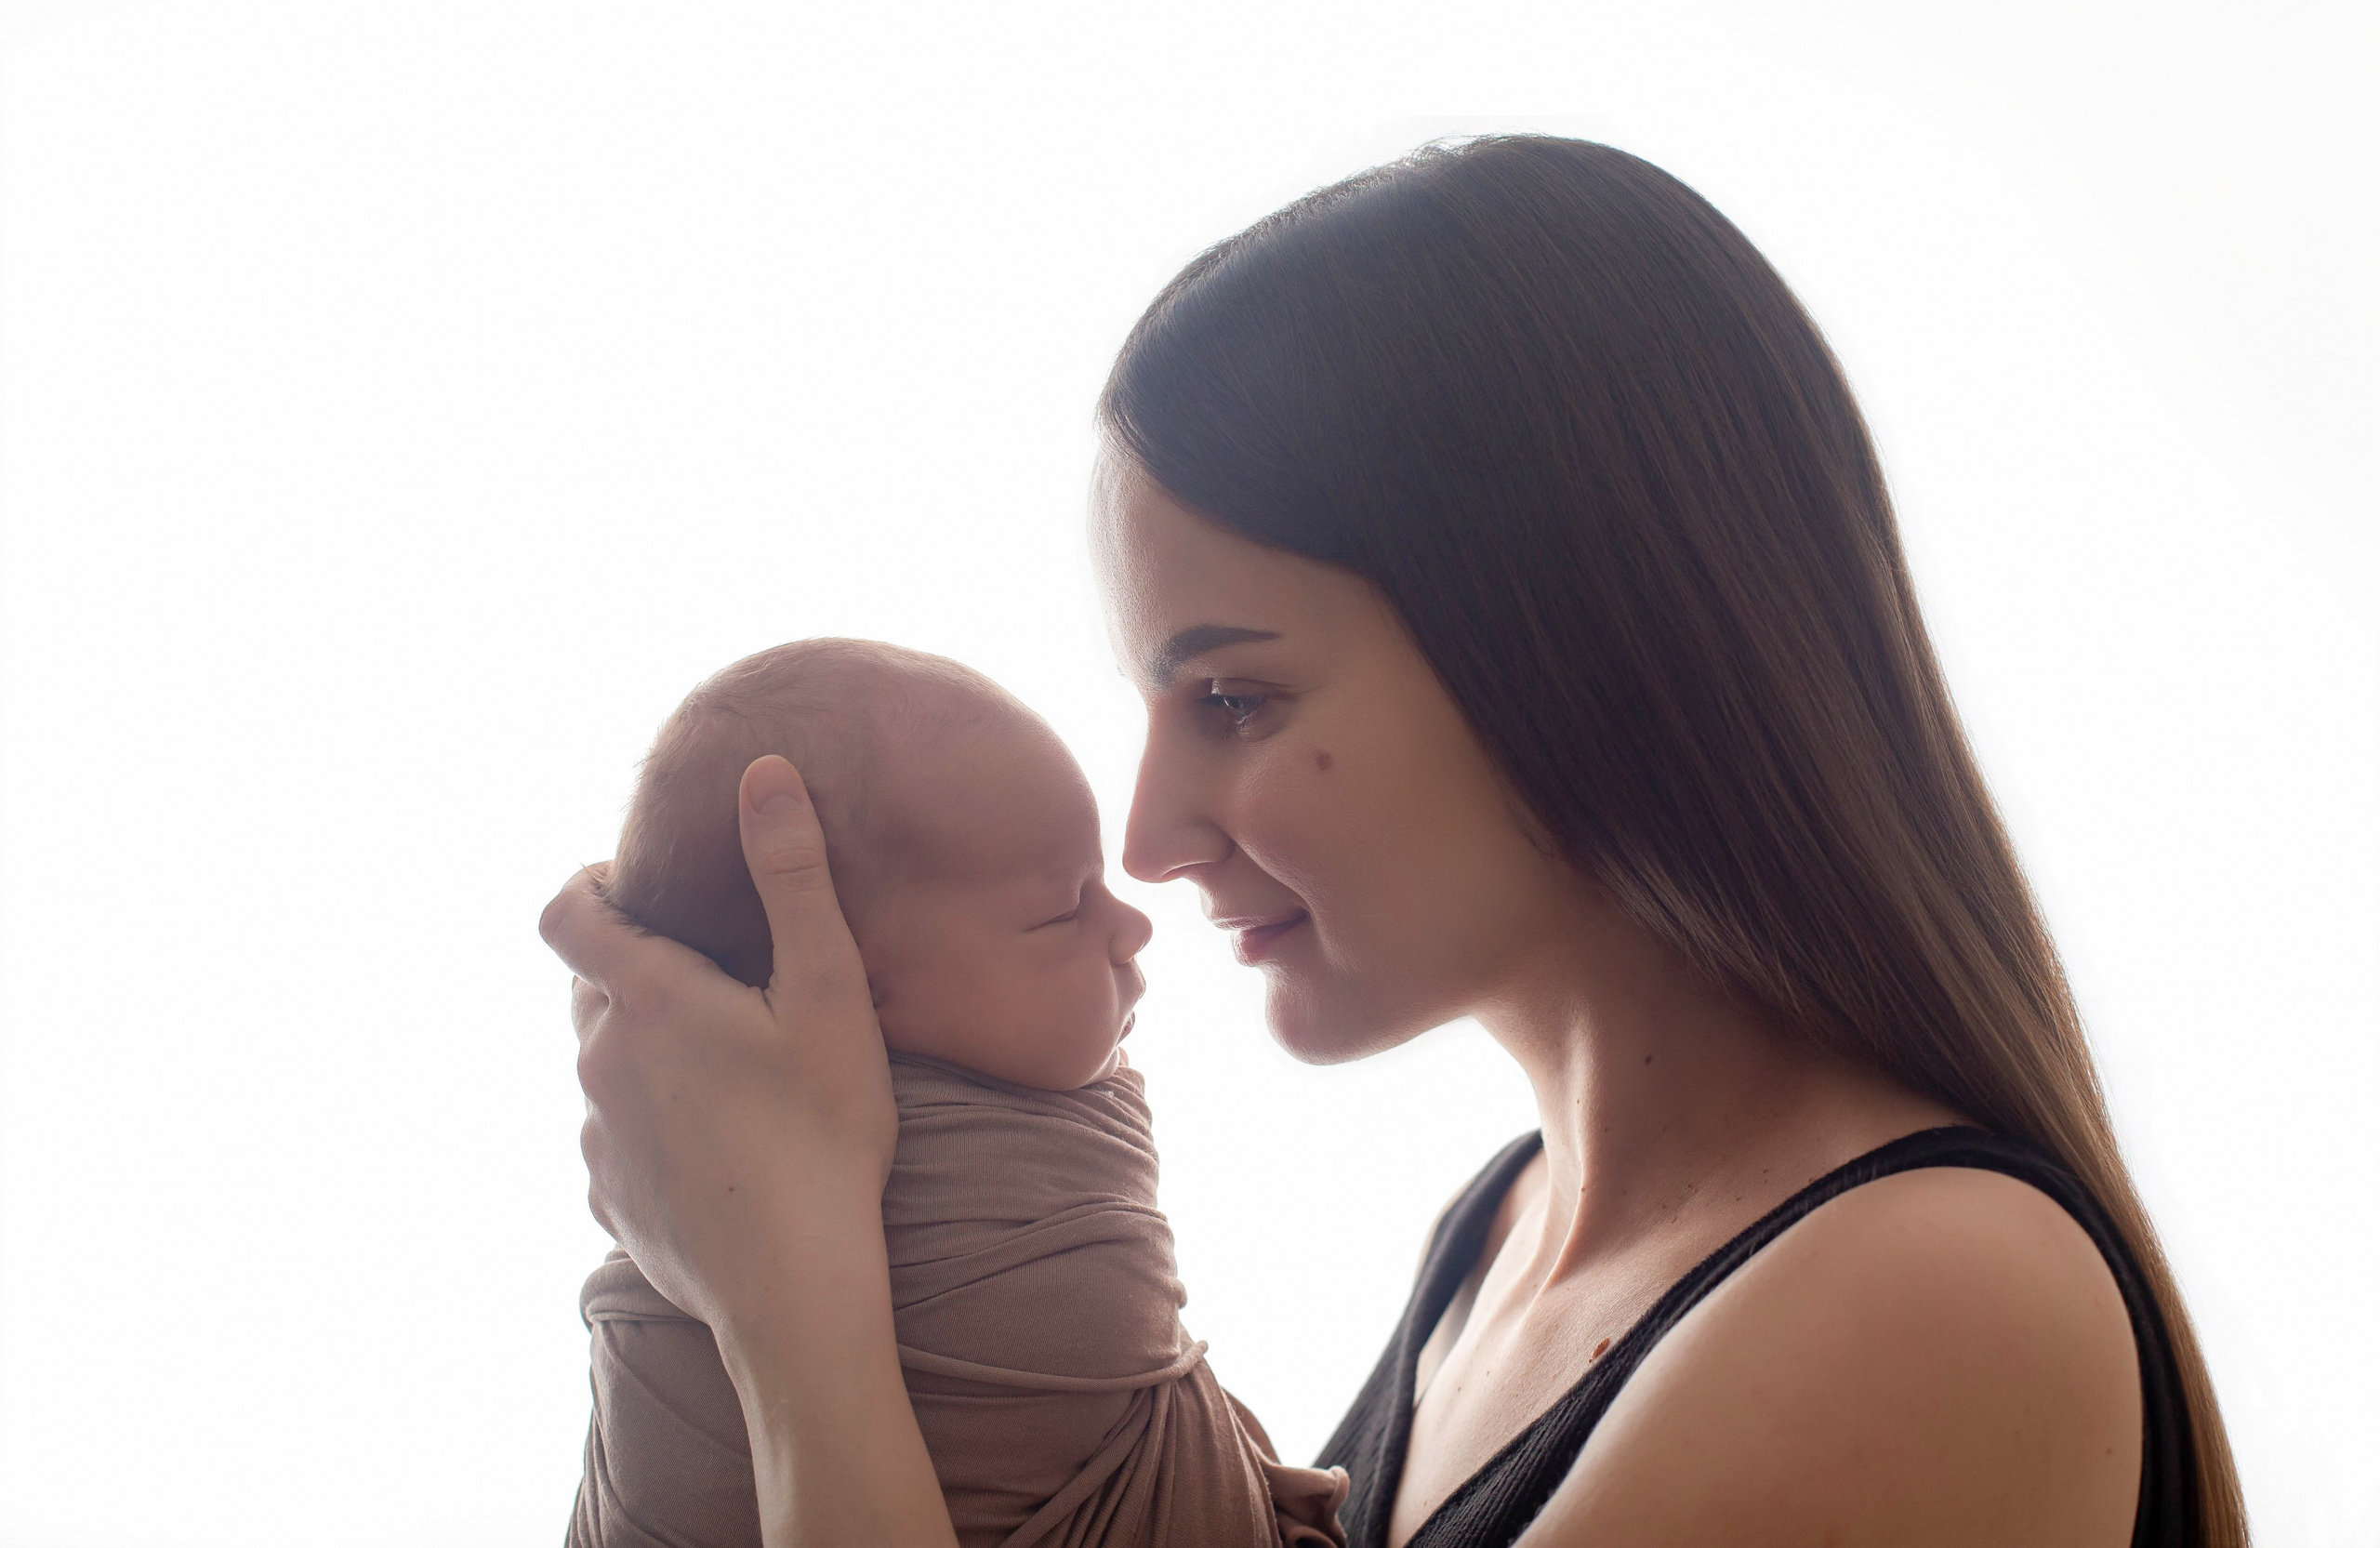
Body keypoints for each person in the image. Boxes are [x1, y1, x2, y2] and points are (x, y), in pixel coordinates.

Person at [543, 135, 2248, 1547]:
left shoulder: (1932, 1300)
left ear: (1575, 643)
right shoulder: (1501, 1238)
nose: (1144, 835)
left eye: (1234, 699)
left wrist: (793, 1320)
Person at [565, 639, 1344, 1548]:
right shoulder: (1004, 1192)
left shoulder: (695, 1184)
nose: (1132, 925)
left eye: (1239, 700)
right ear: (840, 990)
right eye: (1064, 908)